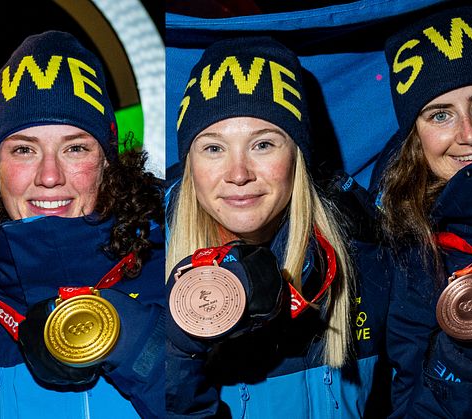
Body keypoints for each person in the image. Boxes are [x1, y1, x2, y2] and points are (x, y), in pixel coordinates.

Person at [0, 31, 165, 418]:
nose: (50, 176)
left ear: (107, 163)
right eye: (24, 149)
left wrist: (139, 342)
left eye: (75, 148)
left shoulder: (176, 276)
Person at [165, 36, 391, 417]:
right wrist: (174, 354)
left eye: (263, 144)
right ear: (190, 162)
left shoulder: (366, 246)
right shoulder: (146, 260)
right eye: (214, 148)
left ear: (297, 156)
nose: (238, 174)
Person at [377, 6, 472, 418]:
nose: (470, 133)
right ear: (415, 138)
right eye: (440, 114)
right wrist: (466, 360)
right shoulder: (415, 258)